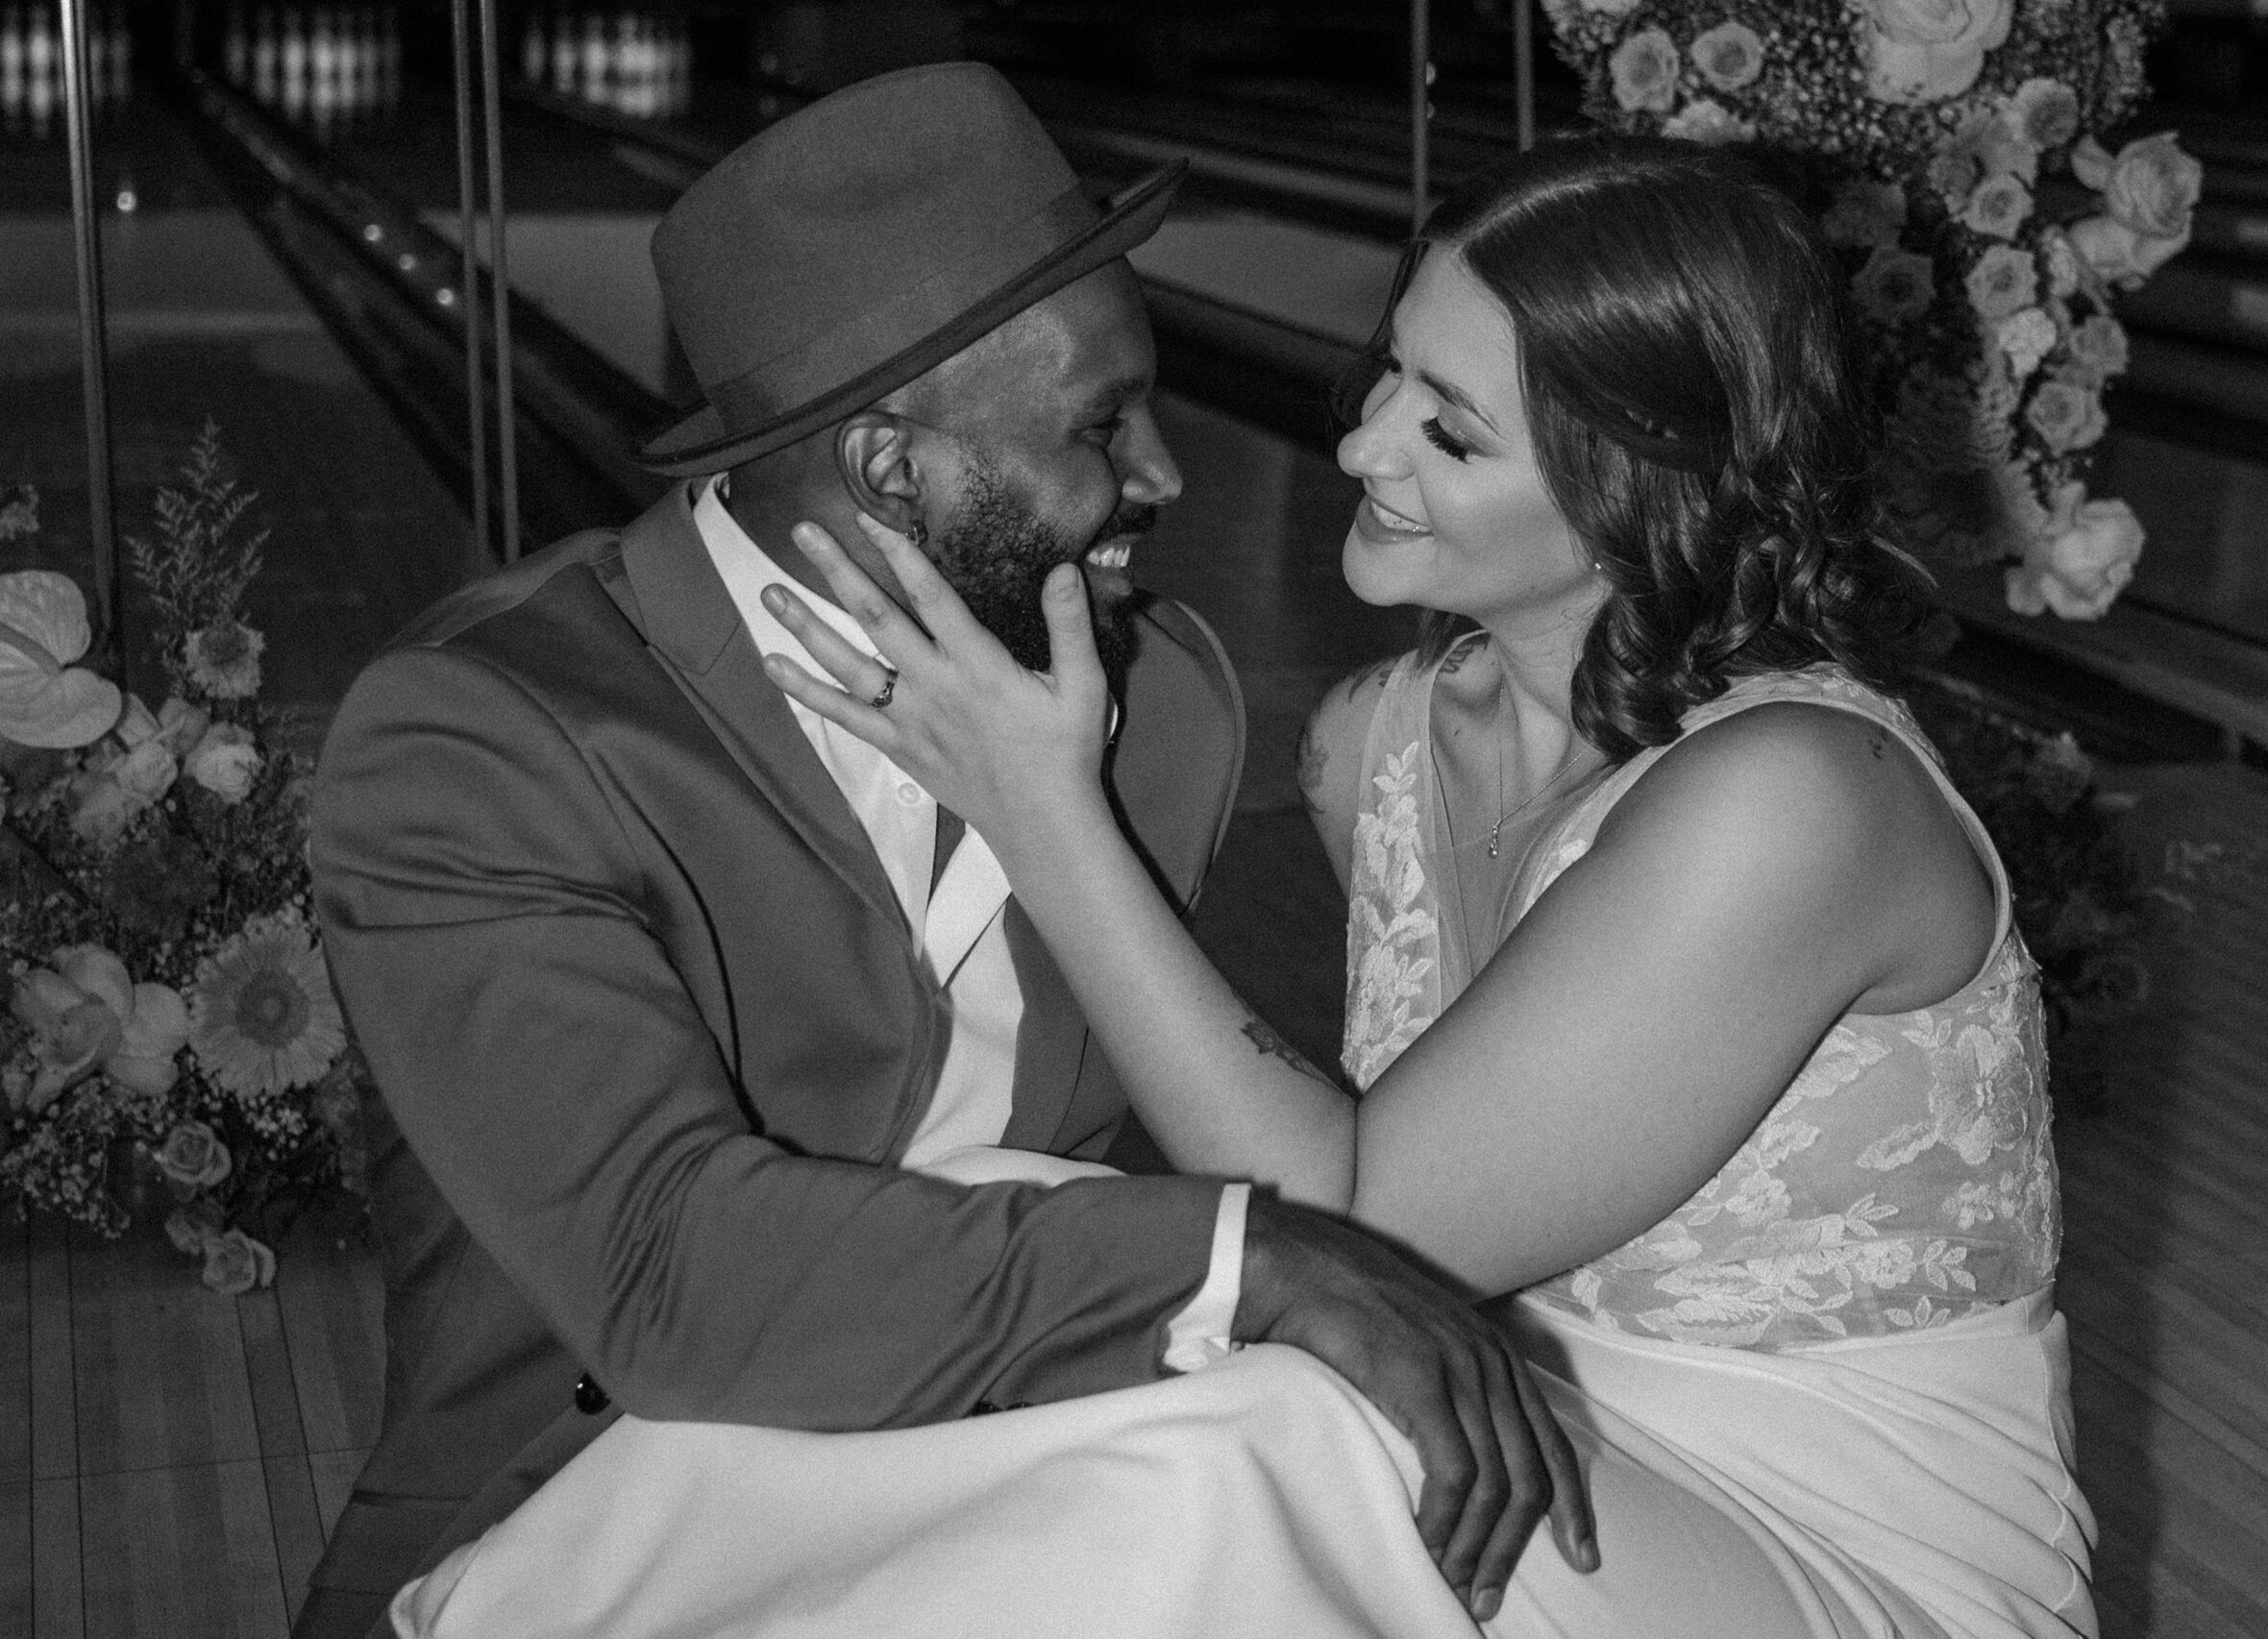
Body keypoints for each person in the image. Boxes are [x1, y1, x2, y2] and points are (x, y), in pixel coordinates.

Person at [393, 135, 2101, 1638]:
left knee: (1272, 1423)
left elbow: (1359, 1231)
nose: (1358, 446)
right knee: (1045, 1234)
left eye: (1447, 426)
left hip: (1838, 1549)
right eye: (1383, 376)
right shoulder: (1379, 744)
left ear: (1637, 479)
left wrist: (1037, 805)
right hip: (1517, 1440)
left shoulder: (1794, 802)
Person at [302, 64, 1585, 1639]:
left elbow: (1130, 1160)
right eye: (1103, 424)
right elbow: (667, 1272)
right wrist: (1253, 1264)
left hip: (992, 1451)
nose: (1168, 476)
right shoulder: (487, 738)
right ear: (890, 469)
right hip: (587, 1500)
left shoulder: (1154, 700)